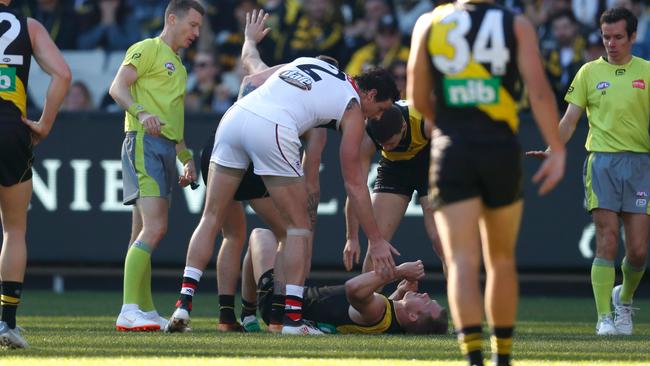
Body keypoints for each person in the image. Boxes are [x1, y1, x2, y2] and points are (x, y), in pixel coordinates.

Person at [168, 41, 401, 334]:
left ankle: (183, 304)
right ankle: (292, 320)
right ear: (370, 94)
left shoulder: (308, 61)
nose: (375, 117)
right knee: (298, 227)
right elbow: (355, 182)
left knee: (210, 217)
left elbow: (253, 75)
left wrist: (250, 42)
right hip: (272, 126)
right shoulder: (352, 106)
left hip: (235, 117)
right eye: (380, 109)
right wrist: (376, 240)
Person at [407, 1, 566, 365]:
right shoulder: (516, 24)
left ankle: (473, 357)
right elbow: (539, 92)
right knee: (501, 260)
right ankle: (503, 357)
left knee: (462, 260)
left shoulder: (429, 23)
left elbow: (417, 98)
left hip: (451, 151)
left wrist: (450, 123)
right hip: (500, 149)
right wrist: (557, 148)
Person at [167, 10, 327, 333]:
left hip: (221, 141)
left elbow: (248, 64)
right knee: (290, 233)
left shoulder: (280, 74)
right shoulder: (320, 106)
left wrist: (250, 39)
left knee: (222, 227)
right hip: (258, 151)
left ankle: (205, 309)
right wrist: (307, 223)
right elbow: (310, 181)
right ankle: (278, 316)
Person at [529, 7, 649, 337]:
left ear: (633, 37)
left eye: (618, 37)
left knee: (638, 251)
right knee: (607, 241)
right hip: (602, 163)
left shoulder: (647, 72)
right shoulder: (588, 73)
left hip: (641, 165)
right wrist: (553, 149)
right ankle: (604, 318)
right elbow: (569, 121)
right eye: (606, 36)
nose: (610, 43)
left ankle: (623, 299)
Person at [108, 0, 204, 332]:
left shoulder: (178, 65)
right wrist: (140, 112)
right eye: (192, 25)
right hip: (143, 143)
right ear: (172, 19)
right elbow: (117, 87)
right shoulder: (147, 48)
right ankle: (129, 310)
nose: (196, 33)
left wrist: (185, 157)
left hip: (165, 148)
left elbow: (174, 122)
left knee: (142, 231)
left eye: (199, 28)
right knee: (155, 228)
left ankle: (143, 310)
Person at [0, 0, 71, 349]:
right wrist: (44, 125)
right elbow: (63, 74)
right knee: (14, 229)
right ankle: (6, 323)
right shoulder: (29, 27)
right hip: (11, 129)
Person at [247, 228, 448, 335]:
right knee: (256, 250)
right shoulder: (389, 321)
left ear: (412, 316)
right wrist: (399, 293)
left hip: (279, 301)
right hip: (287, 305)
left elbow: (354, 289)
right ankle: (247, 317)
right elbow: (372, 310)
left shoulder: (379, 312)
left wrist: (399, 271)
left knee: (261, 234)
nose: (426, 295)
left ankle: (247, 313)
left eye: (428, 303)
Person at [342, 102, 444, 274]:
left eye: (390, 143)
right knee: (377, 245)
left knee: (440, 241)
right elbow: (355, 187)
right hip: (394, 169)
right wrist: (351, 237)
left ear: (403, 127)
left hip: (430, 163)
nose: (386, 147)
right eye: (382, 144)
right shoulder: (369, 135)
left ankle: (459, 299)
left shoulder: (425, 123)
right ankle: (363, 301)